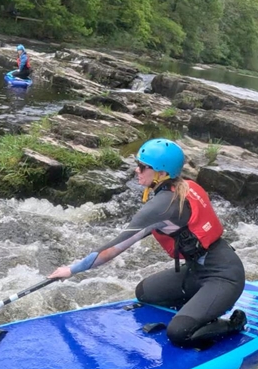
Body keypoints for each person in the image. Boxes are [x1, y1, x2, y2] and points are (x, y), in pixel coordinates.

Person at [48, 138, 247, 350]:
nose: (137, 170)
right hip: (197, 271)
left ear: (162, 173)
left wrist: (71, 270)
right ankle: (198, 307)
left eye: (143, 166)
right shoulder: (184, 187)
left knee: (179, 333)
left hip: (224, 276)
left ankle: (233, 324)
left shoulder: (161, 207)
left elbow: (112, 249)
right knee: (145, 292)